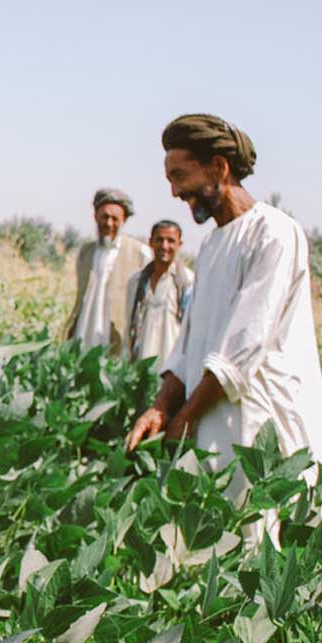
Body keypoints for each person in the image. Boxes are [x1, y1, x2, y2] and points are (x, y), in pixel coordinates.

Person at [126, 113, 322, 546]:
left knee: (259, 547)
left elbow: (242, 347)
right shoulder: (213, 244)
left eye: (180, 175)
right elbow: (190, 345)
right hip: (212, 415)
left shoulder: (275, 232)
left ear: (219, 167)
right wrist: (161, 407)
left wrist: (185, 417)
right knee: (213, 547)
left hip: (259, 422)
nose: (175, 191)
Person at [64, 188, 153, 355]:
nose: (109, 223)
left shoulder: (140, 253)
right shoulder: (85, 252)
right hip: (85, 330)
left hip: (117, 335)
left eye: (115, 219)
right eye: (104, 216)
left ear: (124, 220)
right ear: (95, 216)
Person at [126, 220, 194, 363]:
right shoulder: (136, 281)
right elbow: (129, 326)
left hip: (170, 367)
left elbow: (191, 331)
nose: (164, 246)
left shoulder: (188, 282)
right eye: (160, 240)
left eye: (171, 241)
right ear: (151, 242)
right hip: (141, 365)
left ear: (179, 245)